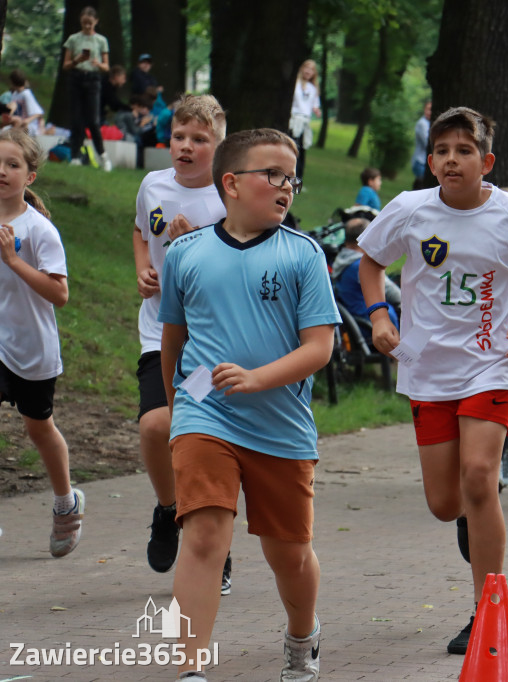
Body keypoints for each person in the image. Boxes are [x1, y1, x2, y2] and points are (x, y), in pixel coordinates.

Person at [357, 107, 508, 655]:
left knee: (479, 475)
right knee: (444, 502)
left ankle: (487, 611)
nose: (453, 159)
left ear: (487, 161)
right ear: (431, 161)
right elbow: (369, 262)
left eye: (465, 150)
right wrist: (380, 314)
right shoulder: (408, 209)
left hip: (492, 360)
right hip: (427, 367)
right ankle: (471, 519)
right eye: (443, 150)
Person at [159, 128, 338, 680]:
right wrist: (178, 411)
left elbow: (319, 347)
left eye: (293, 179)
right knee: (205, 534)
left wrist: (259, 379)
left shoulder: (303, 254)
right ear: (232, 183)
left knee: (290, 554)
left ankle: (302, 636)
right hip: (203, 409)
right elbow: (174, 339)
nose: (287, 187)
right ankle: (191, 668)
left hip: (281, 424)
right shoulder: (185, 253)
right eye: (274, 175)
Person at [132, 95, 234, 591]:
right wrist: (144, 271)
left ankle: (216, 546)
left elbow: (236, 269)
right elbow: (139, 232)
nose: (187, 147)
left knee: (202, 442)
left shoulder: (226, 200)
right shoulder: (153, 184)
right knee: (156, 426)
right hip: (159, 331)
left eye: (200, 139)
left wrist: (196, 243)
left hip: (212, 340)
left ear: (219, 146)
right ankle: (169, 507)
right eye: (179, 137)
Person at [0, 129, 84, 558]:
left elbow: (59, 294)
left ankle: (66, 504)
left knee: (38, 428)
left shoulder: (39, 231)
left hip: (31, 349)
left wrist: (13, 260)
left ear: (30, 177)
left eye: (12, 165)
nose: (2, 171)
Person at [61, 6, 112, 171]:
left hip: (93, 80)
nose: (87, 26)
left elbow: (107, 67)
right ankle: (75, 156)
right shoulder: (73, 39)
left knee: (93, 120)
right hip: (76, 78)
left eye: (90, 23)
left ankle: (103, 157)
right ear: (80, 22)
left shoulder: (101, 41)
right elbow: (66, 66)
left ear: (96, 22)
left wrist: (98, 64)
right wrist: (77, 60)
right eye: (84, 23)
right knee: (76, 119)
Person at [333, 216, 400, 334]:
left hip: (355, 320)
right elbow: (391, 292)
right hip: (372, 325)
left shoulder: (342, 261)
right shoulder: (361, 266)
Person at [289, 59, 321, 181]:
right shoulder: (295, 84)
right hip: (294, 120)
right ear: (302, 69)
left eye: (311, 69)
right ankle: (289, 176)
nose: (308, 71)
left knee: (301, 150)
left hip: (305, 122)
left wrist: (317, 110)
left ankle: (298, 179)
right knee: (293, 148)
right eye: (306, 68)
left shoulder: (313, 89)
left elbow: (314, 105)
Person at [8, 70, 45, 136]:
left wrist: (27, 120)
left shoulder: (26, 94)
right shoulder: (15, 94)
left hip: (29, 126)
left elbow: (39, 113)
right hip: (18, 124)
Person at [102, 65, 134, 138]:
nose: (124, 81)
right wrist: (130, 109)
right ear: (116, 76)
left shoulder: (110, 87)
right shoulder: (106, 86)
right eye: (123, 78)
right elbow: (114, 104)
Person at [410, 99, 431, 189]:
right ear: (424, 109)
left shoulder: (429, 123)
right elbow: (428, 143)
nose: (430, 112)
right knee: (422, 187)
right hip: (420, 161)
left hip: (424, 162)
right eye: (429, 109)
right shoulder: (422, 124)